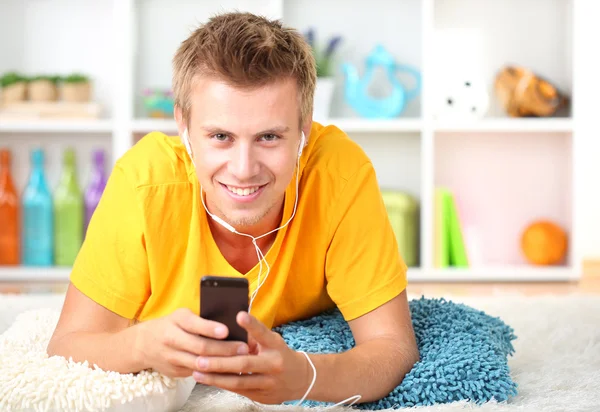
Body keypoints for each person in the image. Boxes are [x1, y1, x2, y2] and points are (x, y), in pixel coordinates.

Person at [47, 11, 419, 406]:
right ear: (184, 127)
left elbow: (392, 346)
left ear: (304, 130)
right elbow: (68, 344)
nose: (244, 170)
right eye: (221, 136)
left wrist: (305, 376)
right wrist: (139, 346)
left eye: (269, 137)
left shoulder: (339, 174)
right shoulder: (144, 184)